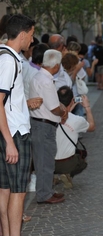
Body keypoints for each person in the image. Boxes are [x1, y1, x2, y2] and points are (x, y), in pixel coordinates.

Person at [0, 14, 46, 236]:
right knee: (18, 191)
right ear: (23, 33)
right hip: (14, 134)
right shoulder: (9, 61)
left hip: (8, 130)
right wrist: (9, 141)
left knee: (5, 189)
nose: (32, 39)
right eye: (31, 34)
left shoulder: (3, 56)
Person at [29, 49, 68, 205]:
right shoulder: (46, 81)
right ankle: (44, 194)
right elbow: (53, 107)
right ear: (56, 65)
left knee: (44, 160)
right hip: (44, 125)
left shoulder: (39, 76)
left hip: (40, 123)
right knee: (45, 161)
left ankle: (46, 191)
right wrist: (62, 113)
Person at [54, 86, 95, 188]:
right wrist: (87, 108)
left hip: (49, 163)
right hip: (68, 163)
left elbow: (64, 116)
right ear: (72, 100)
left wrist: (69, 108)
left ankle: (53, 176)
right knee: (83, 161)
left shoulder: (49, 117)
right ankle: (68, 174)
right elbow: (92, 127)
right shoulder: (77, 120)